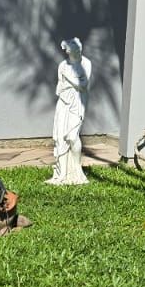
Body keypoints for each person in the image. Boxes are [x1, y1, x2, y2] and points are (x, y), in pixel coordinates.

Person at [47, 37, 91, 185]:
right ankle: (62, 173)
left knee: (72, 136)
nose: (69, 55)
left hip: (78, 103)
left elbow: (83, 86)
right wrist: (66, 86)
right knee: (61, 137)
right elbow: (59, 87)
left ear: (78, 50)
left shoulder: (86, 63)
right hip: (64, 103)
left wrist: (69, 79)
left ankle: (77, 170)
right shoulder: (62, 65)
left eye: (71, 51)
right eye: (68, 52)